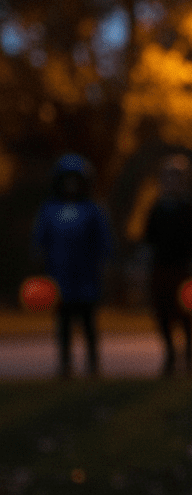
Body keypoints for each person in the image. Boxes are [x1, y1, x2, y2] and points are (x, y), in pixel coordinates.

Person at [32, 154, 113, 378]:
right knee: (63, 324)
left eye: (75, 180)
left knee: (88, 323)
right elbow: (40, 241)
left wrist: (106, 268)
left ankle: (93, 364)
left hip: (87, 277)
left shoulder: (93, 210)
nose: (71, 185)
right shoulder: (50, 209)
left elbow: (104, 242)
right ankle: (65, 364)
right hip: (60, 277)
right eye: (66, 180)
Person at [143, 155, 192, 375]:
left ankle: (189, 355)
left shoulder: (190, 208)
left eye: (176, 178)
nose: (171, 182)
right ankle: (170, 353)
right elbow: (148, 238)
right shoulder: (156, 208)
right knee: (162, 313)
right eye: (168, 177)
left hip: (184, 268)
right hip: (161, 268)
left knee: (186, 314)